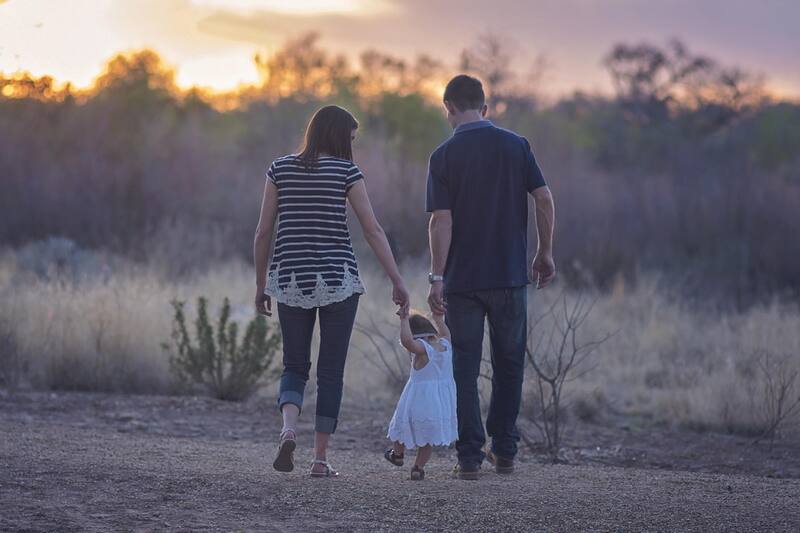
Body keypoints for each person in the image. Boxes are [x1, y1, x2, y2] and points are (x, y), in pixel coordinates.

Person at [254, 105, 410, 478]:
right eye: (351, 138)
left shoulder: (279, 169)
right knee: (331, 372)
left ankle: (288, 429)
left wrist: (261, 285)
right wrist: (397, 280)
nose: (352, 145)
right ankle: (320, 459)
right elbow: (372, 230)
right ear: (340, 136)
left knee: (294, 365)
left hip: (290, 278)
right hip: (338, 280)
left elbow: (262, 232)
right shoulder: (346, 172)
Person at [426, 75, 556, 480]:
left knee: (463, 368)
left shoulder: (443, 156)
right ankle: (505, 452)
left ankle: (468, 457)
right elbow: (544, 198)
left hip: (463, 282)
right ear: (485, 107)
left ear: (448, 107)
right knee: (509, 364)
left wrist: (436, 276)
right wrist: (544, 252)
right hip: (510, 277)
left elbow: (440, 222)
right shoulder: (516, 146)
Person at [384, 310, 457, 480]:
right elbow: (446, 332)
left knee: (402, 426)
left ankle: (398, 454)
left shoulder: (423, 349)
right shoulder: (445, 345)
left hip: (418, 400)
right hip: (439, 403)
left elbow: (407, 341)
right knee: (428, 438)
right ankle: (418, 468)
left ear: (417, 336)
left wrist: (403, 320)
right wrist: (438, 318)